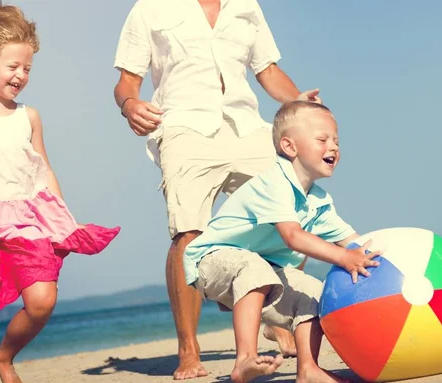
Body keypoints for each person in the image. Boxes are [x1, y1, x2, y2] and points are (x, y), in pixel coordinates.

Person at [113, 0, 319, 378]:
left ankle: (274, 312)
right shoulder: (150, 8)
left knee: (288, 215)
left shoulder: (245, 5)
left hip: (245, 125)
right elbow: (127, 80)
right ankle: (189, 349)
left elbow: (267, 70)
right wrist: (129, 104)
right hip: (182, 126)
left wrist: (299, 103)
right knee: (189, 233)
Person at [0, 2, 120, 381]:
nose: (21, 75)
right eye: (13, 67)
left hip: (22, 222)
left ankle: (5, 357)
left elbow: (43, 171)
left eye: (27, 68)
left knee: (42, 300)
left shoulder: (27, 117)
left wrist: (64, 218)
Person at [184, 101, 381, 383]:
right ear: (290, 147)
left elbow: (356, 244)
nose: (334, 147)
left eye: (336, 141)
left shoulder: (319, 201)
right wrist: (344, 258)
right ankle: (244, 360)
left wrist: (389, 263)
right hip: (212, 260)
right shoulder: (274, 182)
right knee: (253, 266)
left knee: (314, 291)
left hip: (263, 270)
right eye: (322, 139)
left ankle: (308, 370)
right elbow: (293, 236)